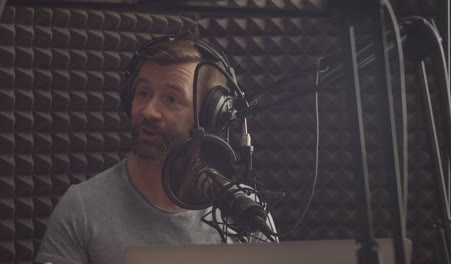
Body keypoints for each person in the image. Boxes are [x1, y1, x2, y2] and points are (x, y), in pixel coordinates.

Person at [35, 35, 275, 264]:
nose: (148, 111)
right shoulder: (82, 207)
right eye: (144, 93)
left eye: (171, 99)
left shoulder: (247, 210)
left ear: (211, 116)